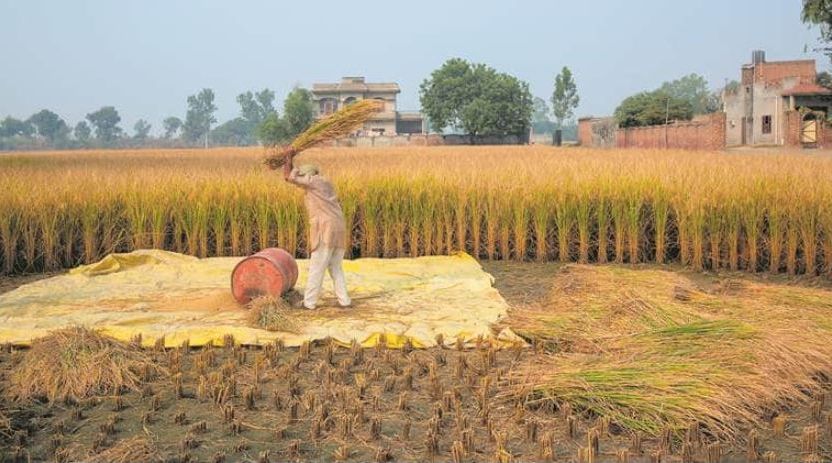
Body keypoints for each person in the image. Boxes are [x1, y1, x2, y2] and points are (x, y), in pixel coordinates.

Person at [283, 151, 351, 309]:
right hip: (338, 229)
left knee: (317, 267)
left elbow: (289, 178)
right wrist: (289, 160)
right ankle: (345, 301)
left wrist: (288, 158)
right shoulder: (323, 184)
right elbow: (293, 179)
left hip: (325, 229)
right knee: (335, 267)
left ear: (309, 176)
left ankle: (309, 303)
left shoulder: (315, 182)